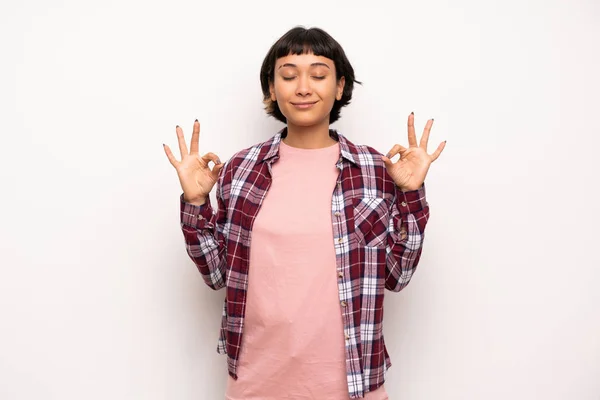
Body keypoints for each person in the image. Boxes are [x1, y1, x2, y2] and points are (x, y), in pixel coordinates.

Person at [163, 26, 445, 400]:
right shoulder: (241, 169)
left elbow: (397, 276)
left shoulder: (376, 170)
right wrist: (196, 203)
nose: (303, 87)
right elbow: (217, 275)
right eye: (289, 74)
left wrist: (410, 194)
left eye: (318, 74)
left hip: (352, 385)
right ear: (271, 88)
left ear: (340, 86)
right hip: (255, 382)